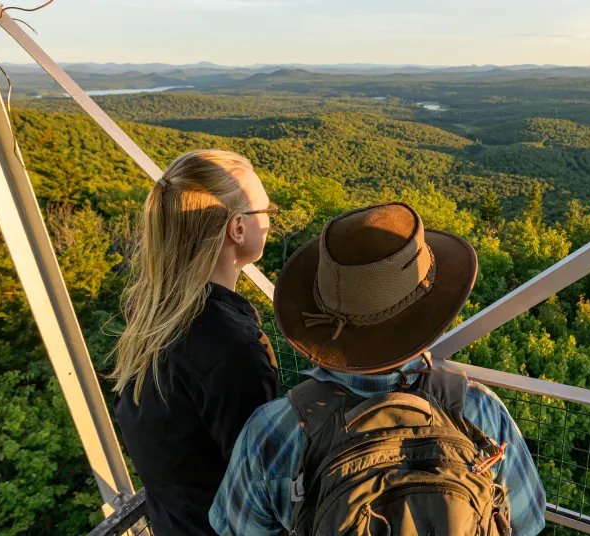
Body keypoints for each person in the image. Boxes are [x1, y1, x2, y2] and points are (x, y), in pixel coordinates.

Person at [210, 202, 545, 536]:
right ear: (429, 313)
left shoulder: (274, 432)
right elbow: (527, 522)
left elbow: (236, 529)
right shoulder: (479, 410)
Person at [112, 150, 281, 536]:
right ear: (237, 228)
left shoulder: (153, 312)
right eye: (265, 212)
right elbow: (264, 485)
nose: (269, 222)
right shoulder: (230, 347)